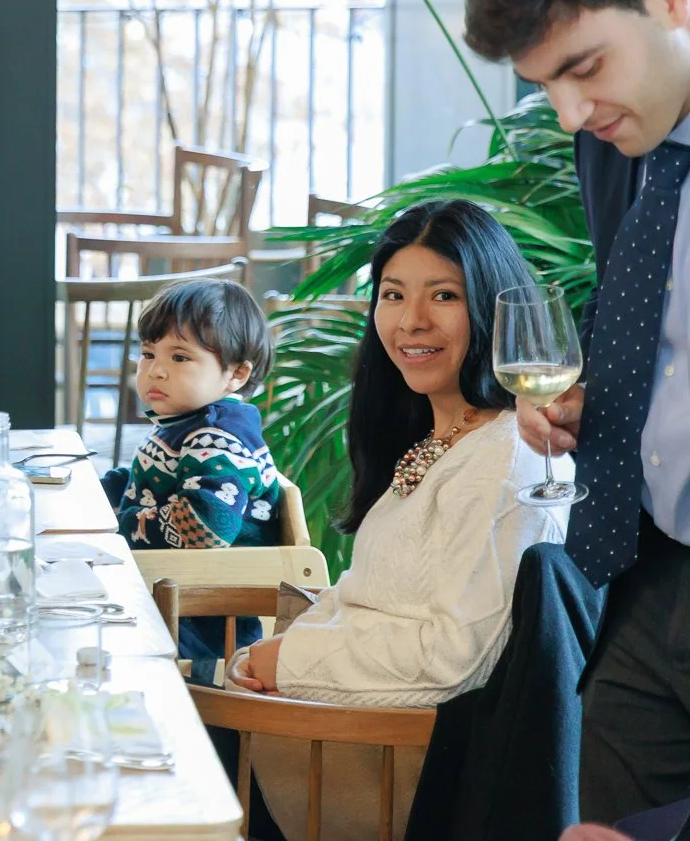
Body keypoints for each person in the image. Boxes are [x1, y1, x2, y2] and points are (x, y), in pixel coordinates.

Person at [224, 201, 568, 840]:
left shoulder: (509, 456)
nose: (412, 321)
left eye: (444, 295)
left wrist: (291, 658)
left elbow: (458, 657)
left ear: (494, 307)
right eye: (391, 294)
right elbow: (373, 595)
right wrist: (270, 657)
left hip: (395, 770)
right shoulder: (436, 440)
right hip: (339, 732)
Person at [463, 0, 690, 824]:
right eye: (544, 84)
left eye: (585, 68)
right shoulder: (613, 142)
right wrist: (599, 401)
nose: (568, 113)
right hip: (654, 569)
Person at [116, 278, 280, 685]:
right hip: (175, 593)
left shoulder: (218, 438)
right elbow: (151, 481)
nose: (156, 370)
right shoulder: (187, 422)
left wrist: (124, 525)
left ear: (235, 375)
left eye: (181, 358)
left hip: (204, 623)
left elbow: (205, 526)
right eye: (148, 353)